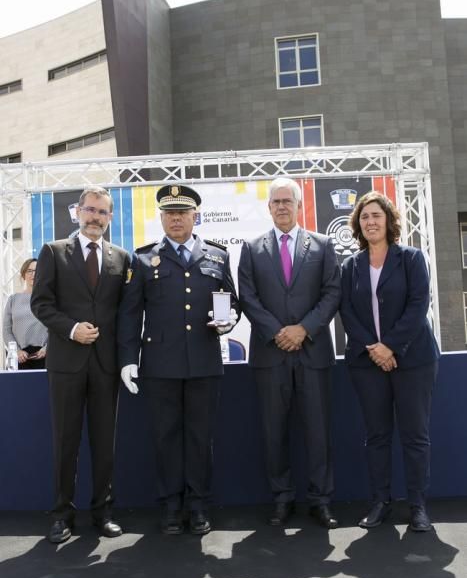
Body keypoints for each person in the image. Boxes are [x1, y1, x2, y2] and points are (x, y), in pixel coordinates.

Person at [118, 184, 239, 536]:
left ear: (194, 216)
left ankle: (198, 505)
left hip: (203, 362)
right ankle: (171, 506)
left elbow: (231, 300)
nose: (176, 219)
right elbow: (129, 315)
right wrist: (128, 358)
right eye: (170, 213)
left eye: (182, 213)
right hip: (159, 366)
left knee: (201, 438)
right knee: (166, 437)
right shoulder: (142, 259)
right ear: (161, 217)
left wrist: (229, 319)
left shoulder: (217, 256)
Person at [238, 177, 341, 528]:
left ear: (299, 206)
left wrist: (304, 330)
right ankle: (281, 498)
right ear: (268, 207)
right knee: (273, 431)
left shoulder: (323, 245)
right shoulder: (251, 249)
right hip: (271, 354)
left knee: (319, 430)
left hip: (313, 352)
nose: (281, 207)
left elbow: (331, 293)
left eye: (288, 201)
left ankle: (321, 500)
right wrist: (276, 332)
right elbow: (247, 297)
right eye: (275, 202)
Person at [31, 186, 130, 543]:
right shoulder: (53, 252)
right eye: (89, 210)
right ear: (77, 212)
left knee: (105, 442)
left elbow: (125, 312)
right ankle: (61, 515)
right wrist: (72, 329)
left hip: (106, 365)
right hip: (66, 363)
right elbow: (41, 304)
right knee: (65, 441)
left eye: (102, 212)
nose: (95, 218)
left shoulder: (121, 257)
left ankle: (103, 513)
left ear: (110, 217)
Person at [340, 191, 440, 532]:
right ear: (358, 224)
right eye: (365, 217)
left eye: (376, 216)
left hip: (413, 360)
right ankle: (380, 502)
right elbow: (347, 313)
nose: (370, 221)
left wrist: (391, 347)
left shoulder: (411, 258)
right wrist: (374, 347)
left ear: (388, 221)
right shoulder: (350, 266)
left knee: (415, 435)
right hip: (368, 363)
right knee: (377, 436)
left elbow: (418, 304)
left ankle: (417, 506)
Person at [3, 259, 47, 369]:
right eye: (29, 271)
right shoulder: (13, 300)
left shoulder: (49, 299)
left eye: (37, 271)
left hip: (45, 355)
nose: (33, 274)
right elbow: (6, 330)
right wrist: (16, 351)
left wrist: (47, 348)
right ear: (23, 275)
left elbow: (57, 328)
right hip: (18, 358)